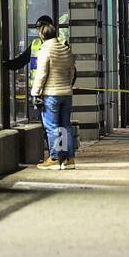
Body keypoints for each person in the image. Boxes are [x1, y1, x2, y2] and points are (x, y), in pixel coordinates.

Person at [31, 21, 77, 170]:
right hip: (66, 94)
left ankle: (55, 158)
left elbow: (42, 74)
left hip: (51, 94)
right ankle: (69, 159)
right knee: (65, 127)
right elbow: (71, 73)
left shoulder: (45, 50)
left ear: (42, 35)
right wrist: (67, 86)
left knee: (52, 127)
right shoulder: (65, 49)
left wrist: (35, 93)